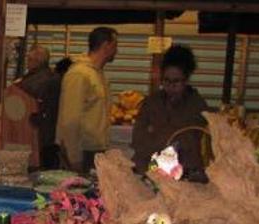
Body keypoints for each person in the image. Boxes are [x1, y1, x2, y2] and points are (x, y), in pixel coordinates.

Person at [132, 44, 210, 182]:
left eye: (176, 82)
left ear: (186, 80)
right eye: (166, 81)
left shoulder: (197, 105)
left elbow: (201, 144)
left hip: (187, 175)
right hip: (152, 172)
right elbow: (139, 139)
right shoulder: (151, 103)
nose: (171, 87)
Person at [55, 27, 118, 175]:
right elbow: (70, 119)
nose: (117, 50)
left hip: (94, 150)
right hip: (83, 151)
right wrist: (74, 157)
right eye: (115, 45)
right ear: (106, 45)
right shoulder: (79, 74)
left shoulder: (97, 74)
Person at [16, 45, 62, 169]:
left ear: (36, 62)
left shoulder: (28, 83)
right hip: (51, 134)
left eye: (29, 60)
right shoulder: (55, 78)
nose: (27, 63)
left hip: (33, 132)